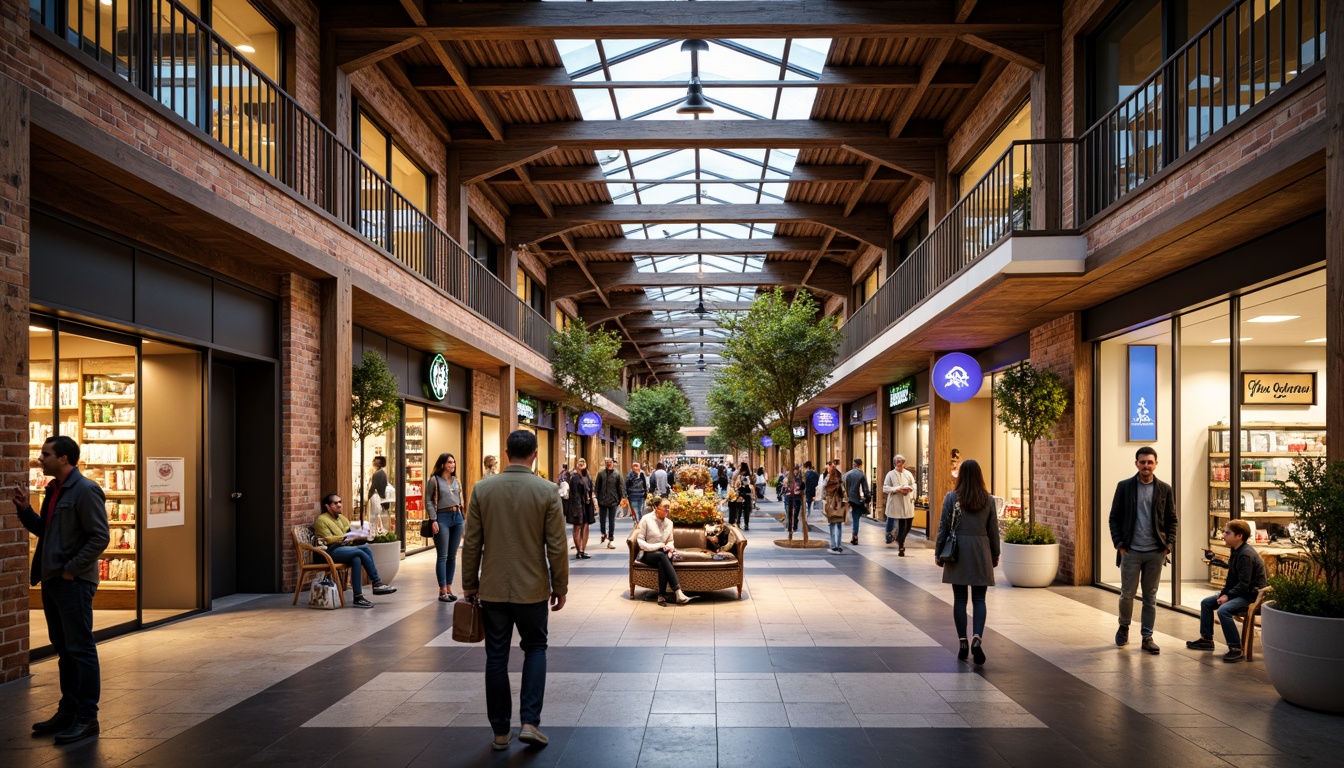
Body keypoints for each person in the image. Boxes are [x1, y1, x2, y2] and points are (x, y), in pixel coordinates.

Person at [462, 430, 569, 752]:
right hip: (533, 588)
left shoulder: (482, 489)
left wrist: (469, 583)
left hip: (492, 589)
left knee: (496, 657)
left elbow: (472, 544)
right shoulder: (547, 491)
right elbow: (557, 546)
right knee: (535, 648)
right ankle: (529, 722)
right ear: (535, 453)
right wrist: (560, 586)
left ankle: (499, 732)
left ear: (506, 453)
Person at [13, 435, 109, 744]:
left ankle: (86, 717)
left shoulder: (85, 490)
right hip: (54, 580)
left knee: (80, 650)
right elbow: (47, 531)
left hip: (73, 583)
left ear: (64, 458)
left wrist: (71, 570)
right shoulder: (54, 490)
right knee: (65, 651)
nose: (40, 459)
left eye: (45, 454)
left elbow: (99, 537)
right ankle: (68, 711)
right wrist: (26, 510)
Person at [1108, 446, 1177, 654]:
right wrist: (1119, 544)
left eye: (1150, 462)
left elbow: (1172, 519)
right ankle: (1124, 627)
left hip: (1156, 552)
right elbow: (1114, 517)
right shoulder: (1125, 487)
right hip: (1131, 551)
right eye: (1142, 462)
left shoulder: (1164, 488)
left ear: (1156, 463)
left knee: (1151, 596)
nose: (1146, 466)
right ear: (1136, 463)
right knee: (1127, 594)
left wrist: (1168, 546)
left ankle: (1147, 636)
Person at [934, 459, 1000, 666]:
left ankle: (962, 641)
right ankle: (977, 638)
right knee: (979, 599)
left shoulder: (952, 497)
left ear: (961, 475)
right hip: (981, 550)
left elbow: (944, 527)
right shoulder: (988, 500)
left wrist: (938, 552)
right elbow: (993, 531)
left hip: (958, 551)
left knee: (960, 598)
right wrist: (995, 554)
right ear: (979, 475)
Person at [1187, 519, 1267, 663]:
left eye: (1227, 533)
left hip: (1251, 595)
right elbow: (1231, 579)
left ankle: (1236, 648)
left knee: (1224, 611)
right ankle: (1206, 640)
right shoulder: (1236, 551)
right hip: (1241, 592)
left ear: (1239, 536)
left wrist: (1228, 596)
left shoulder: (1245, 555)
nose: (1223, 535)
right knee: (1206, 603)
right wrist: (1225, 593)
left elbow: (1244, 584)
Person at [314, 494, 397, 607]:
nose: (339, 505)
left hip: (344, 548)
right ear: (328, 506)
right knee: (359, 552)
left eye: (340, 502)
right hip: (330, 551)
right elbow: (327, 539)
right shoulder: (321, 520)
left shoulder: (341, 518)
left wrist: (361, 534)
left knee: (358, 557)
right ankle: (377, 582)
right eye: (335, 503)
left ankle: (358, 598)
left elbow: (350, 530)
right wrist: (345, 537)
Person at [635, 496, 696, 606]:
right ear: (656, 507)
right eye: (665, 508)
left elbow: (670, 540)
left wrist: (670, 549)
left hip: (662, 554)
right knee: (661, 556)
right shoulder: (646, 519)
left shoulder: (669, 523)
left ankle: (661, 596)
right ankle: (678, 592)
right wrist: (658, 546)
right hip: (648, 554)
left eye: (669, 508)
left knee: (663, 558)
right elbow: (640, 541)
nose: (667, 510)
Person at [428, 452, 465, 603]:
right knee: (442, 555)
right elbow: (429, 501)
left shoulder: (456, 480)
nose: (452, 465)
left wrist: (463, 518)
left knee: (453, 555)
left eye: (454, 462)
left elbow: (460, 499)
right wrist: (433, 519)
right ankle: (442, 590)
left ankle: (449, 588)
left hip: (457, 518)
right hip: (441, 518)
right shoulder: (434, 480)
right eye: (449, 462)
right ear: (443, 464)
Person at [882, 455, 916, 555]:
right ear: (895, 463)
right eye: (898, 461)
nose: (900, 463)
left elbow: (913, 484)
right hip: (897, 502)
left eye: (902, 461)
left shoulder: (908, 473)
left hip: (907, 502)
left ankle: (899, 539)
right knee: (901, 524)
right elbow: (885, 488)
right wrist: (897, 489)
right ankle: (901, 546)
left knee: (908, 524)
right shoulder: (890, 474)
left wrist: (910, 489)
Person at [564, 458, 595, 559]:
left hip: (586, 505)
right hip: (577, 505)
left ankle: (583, 550)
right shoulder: (574, 477)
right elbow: (573, 494)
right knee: (577, 527)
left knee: (586, 526)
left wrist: (593, 502)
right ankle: (579, 551)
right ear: (577, 465)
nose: (581, 464)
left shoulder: (587, 476)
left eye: (583, 463)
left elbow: (590, 489)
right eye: (579, 463)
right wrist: (577, 508)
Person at [594, 456, 626, 550]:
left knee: (612, 521)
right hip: (602, 501)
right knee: (602, 520)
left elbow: (621, 487)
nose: (608, 464)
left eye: (610, 462)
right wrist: (597, 498)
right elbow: (597, 487)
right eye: (606, 462)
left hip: (613, 501)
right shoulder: (601, 474)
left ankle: (611, 538)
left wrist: (622, 498)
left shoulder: (617, 474)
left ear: (612, 463)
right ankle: (603, 533)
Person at [843, 458, 870, 546]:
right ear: (860, 465)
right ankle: (855, 535)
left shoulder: (846, 474)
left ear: (854, 464)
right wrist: (867, 498)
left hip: (846, 498)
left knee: (841, 517)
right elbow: (865, 488)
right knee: (856, 519)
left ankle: (838, 538)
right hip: (855, 499)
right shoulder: (861, 474)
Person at [823, 463, 847, 553]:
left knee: (832, 524)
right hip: (839, 504)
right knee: (839, 525)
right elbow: (844, 492)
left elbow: (823, 489)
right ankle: (839, 545)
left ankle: (833, 544)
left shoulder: (828, 480)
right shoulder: (840, 480)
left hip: (830, 504)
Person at [368, 455, 393, 531]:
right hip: (381, 499)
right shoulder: (381, 473)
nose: (374, 462)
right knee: (380, 518)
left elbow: (373, 487)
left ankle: (374, 533)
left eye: (375, 461)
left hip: (378, 498)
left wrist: (369, 495)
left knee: (374, 518)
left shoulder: (378, 474)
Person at [731, 461, 754, 530]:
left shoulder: (739, 475)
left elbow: (733, 479)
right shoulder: (749, 475)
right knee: (746, 510)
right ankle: (746, 524)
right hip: (747, 494)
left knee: (739, 509)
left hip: (740, 493)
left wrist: (738, 472)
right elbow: (752, 484)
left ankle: (738, 523)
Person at [783, 464, 804, 538]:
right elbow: (784, 488)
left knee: (796, 513)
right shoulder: (787, 478)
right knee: (789, 513)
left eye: (797, 470)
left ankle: (794, 525)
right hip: (789, 497)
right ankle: (790, 527)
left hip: (797, 497)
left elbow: (802, 487)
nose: (796, 471)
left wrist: (800, 490)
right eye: (795, 470)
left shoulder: (800, 478)